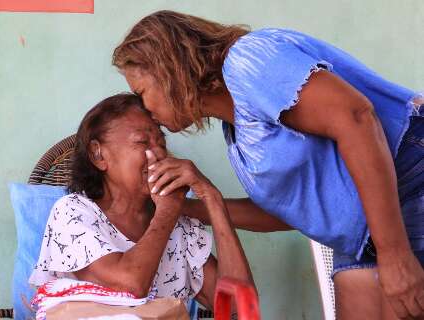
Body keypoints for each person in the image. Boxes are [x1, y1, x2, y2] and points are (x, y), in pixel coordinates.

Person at [112, 10, 424, 319]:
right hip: (360, 235)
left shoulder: (248, 61)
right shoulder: (238, 136)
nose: (144, 107)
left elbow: (356, 118)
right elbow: (293, 213)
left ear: (169, 70)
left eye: (142, 92)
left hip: (407, 184)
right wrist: (194, 202)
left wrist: (393, 251)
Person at [28, 93, 255, 312]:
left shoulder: (179, 226)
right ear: (98, 155)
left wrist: (211, 198)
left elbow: (238, 308)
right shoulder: (73, 212)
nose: (157, 153)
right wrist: (167, 210)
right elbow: (130, 287)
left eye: (161, 143)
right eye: (142, 142)